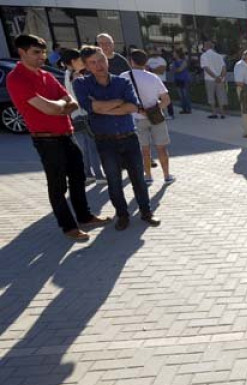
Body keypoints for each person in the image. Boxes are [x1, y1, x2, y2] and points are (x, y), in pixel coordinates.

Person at [6, 35, 110, 241]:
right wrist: (61, 106)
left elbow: (70, 101)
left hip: (67, 134)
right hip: (46, 139)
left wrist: (60, 106)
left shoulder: (46, 75)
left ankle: (85, 216)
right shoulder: (16, 78)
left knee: (79, 178)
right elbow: (51, 108)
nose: (42, 56)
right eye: (36, 52)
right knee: (58, 186)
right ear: (22, 52)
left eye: (43, 52)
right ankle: (68, 226)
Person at [73, 45, 161, 231]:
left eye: (101, 60)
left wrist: (104, 106)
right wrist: (119, 102)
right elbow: (92, 108)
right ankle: (122, 215)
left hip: (129, 137)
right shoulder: (81, 84)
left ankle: (146, 212)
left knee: (138, 178)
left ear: (107, 60)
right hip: (105, 141)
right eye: (93, 63)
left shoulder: (122, 82)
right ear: (87, 66)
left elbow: (132, 106)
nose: (99, 66)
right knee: (114, 181)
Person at [121, 49, 175, 186]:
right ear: (146, 62)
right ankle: (167, 175)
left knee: (144, 150)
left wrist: (141, 111)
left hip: (136, 118)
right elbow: (166, 100)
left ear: (131, 61)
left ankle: (148, 176)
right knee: (161, 148)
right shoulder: (153, 77)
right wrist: (153, 110)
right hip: (156, 117)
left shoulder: (123, 77)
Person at [60, 48, 105, 186]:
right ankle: (99, 175)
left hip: (76, 116)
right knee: (92, 146)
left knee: (84, 147)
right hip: (84, 114)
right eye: (80, 60)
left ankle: (88, 174)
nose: (84, 63)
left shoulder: (68, 74)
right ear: (73, 61)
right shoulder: (77, 77)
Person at [200, 41, 227, 119]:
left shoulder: (204, 56)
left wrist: (215, 77)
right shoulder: (219, 56)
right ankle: (222, 113)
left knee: (211, 96)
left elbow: (206, 68)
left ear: (206, 46)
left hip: (209, 79)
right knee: (221, 95)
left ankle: (214, 112)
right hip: (220, 79)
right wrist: (221, 77)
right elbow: (224, 68)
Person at [147, 47, 174, 119]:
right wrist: (154, 69)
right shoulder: (149, 60)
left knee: (165, 98)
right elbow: (146, 69)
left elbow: (161, 71)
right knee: (154, 99)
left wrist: (151, 69)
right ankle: (159, 113)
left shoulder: (162, 60)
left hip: (161, 81)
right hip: (151, 81)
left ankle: (170, 114)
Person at [171, 49, 192, 114]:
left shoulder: (184, 61)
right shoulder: (174, 62)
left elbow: (180, 69)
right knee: (181, 95)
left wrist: (174, 69)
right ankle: (184, 108)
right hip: (177, 79)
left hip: (184, 79)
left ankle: (188, 108)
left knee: (185, 94)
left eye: (174, 53)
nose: (173, 55)